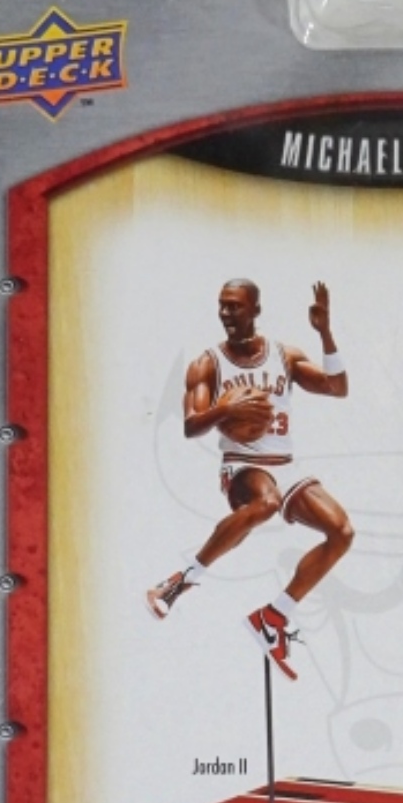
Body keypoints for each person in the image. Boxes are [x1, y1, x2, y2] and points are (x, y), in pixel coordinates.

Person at [146, 278, 353, 679]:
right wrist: (226, 411)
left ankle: (273, 617)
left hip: (284, 464)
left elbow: (337, 387)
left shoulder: (284, 355)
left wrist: (325, 332)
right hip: (242, 464)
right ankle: (180, 580)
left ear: (255, 310)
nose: (226, 313)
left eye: (235, 306)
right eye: (222, 305)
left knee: (341, 532)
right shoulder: (207, 364)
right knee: (266, 502)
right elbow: (191, 425)